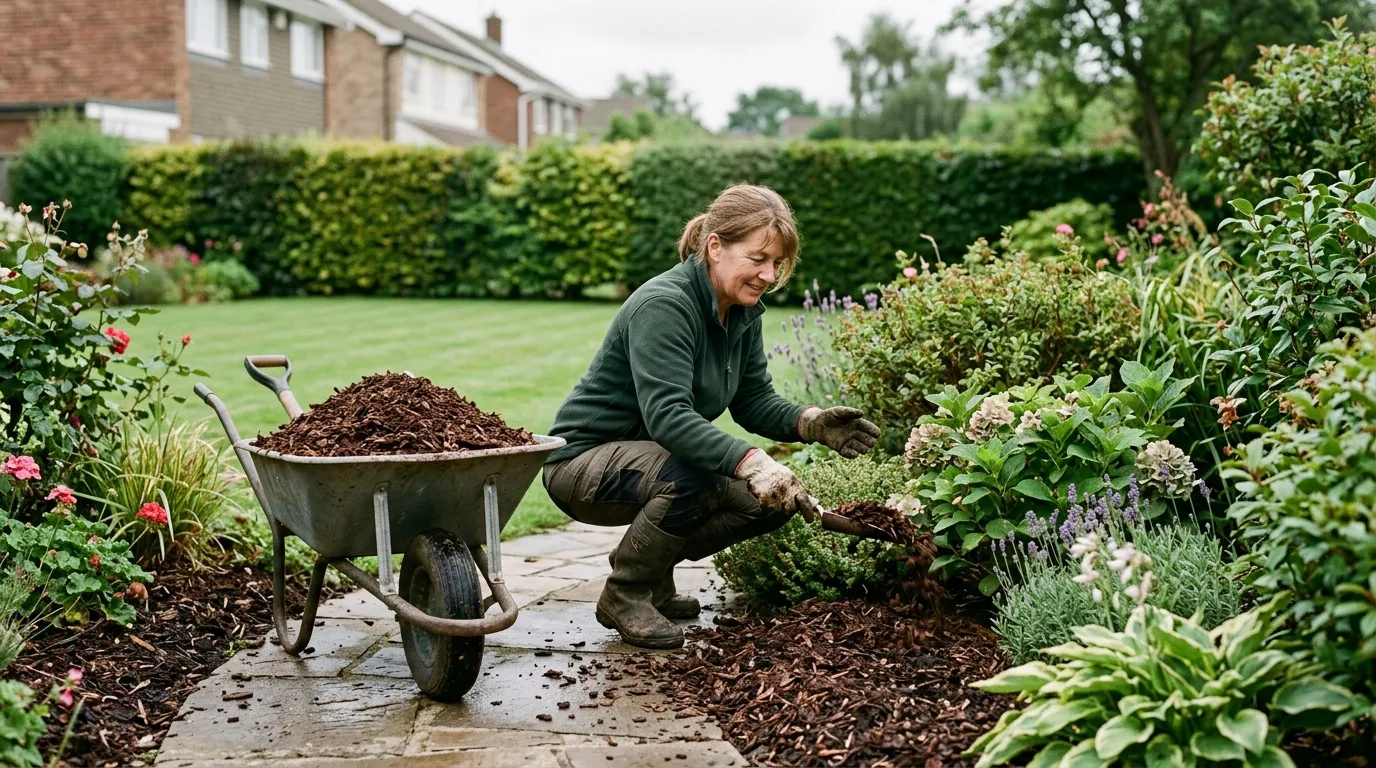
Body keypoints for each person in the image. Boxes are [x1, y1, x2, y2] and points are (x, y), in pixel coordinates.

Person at [542, 184, 880, 649]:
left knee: (767, 502)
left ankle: (654, 573)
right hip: (582, 465)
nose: (767, 274)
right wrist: (754, 462)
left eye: (776, 263)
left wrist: (813, 422)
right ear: (715, 247)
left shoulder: (740, 312)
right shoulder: (664, 305)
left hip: (649, 459)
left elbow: (753, 401)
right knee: (691, 477)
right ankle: (625, 593)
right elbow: (668, 417)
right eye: (758, 258)